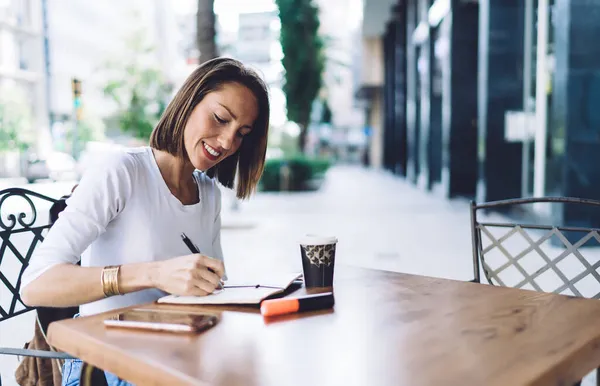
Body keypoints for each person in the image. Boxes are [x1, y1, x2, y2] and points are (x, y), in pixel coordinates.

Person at [19, 57, 270, 386]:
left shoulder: (209, 194)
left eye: (242, 134)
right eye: (220, 118)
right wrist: (152, 273)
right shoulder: (122, 170)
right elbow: (35, 286)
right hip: (106, 366)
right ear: (189, 101)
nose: (226, 142)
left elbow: (212, 294)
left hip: (173, 357)